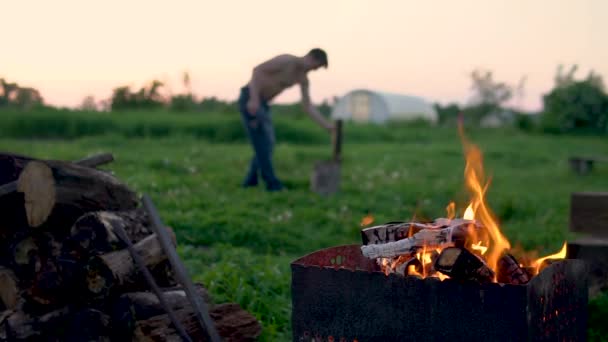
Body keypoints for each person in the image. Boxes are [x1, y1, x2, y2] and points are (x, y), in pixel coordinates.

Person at [238, 48, 334, 191]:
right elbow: (257, 70)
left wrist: (327, 126)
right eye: (316, 66)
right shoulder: (287, 61)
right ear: (311, 57)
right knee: (263, 143)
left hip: (263, 104)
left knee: (267, 144)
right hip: (250, 98)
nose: (314, 70)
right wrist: (254, 99)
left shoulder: (303, 79)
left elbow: (308, 107)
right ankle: (272, 183)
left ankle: (250, 181)